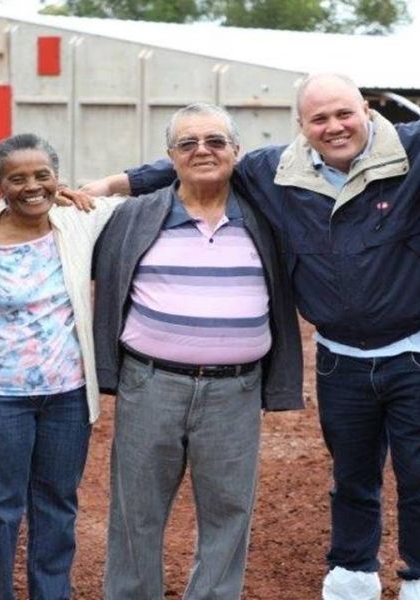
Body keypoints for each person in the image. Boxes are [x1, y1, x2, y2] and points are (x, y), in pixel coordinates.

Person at [78, 78, 420, 600]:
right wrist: (111, 185)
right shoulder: (274, 171)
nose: (334, 127)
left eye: (343, 114)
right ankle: (352, 569)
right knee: (350, 475)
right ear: (301, 129)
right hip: (337, 355)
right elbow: (195, 159)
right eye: (319, 119)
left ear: (367, 111)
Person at [90, 103, 304, 600]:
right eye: (187, 144)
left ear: (236, 151)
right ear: (170, 157)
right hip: (149, 385)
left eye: (215, 142)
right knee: (135, 512)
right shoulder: (133, 216)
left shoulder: (268, 218)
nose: (202, 151)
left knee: (229, 511)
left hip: (236, 390)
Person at [0, 134, 122, 599]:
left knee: (57, 504)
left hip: (67, 396)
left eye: (42, 176)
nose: (32, 187)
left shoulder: (79, 221)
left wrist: (101, 185)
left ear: (58, 178)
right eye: (18, 178)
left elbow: (162, 179)